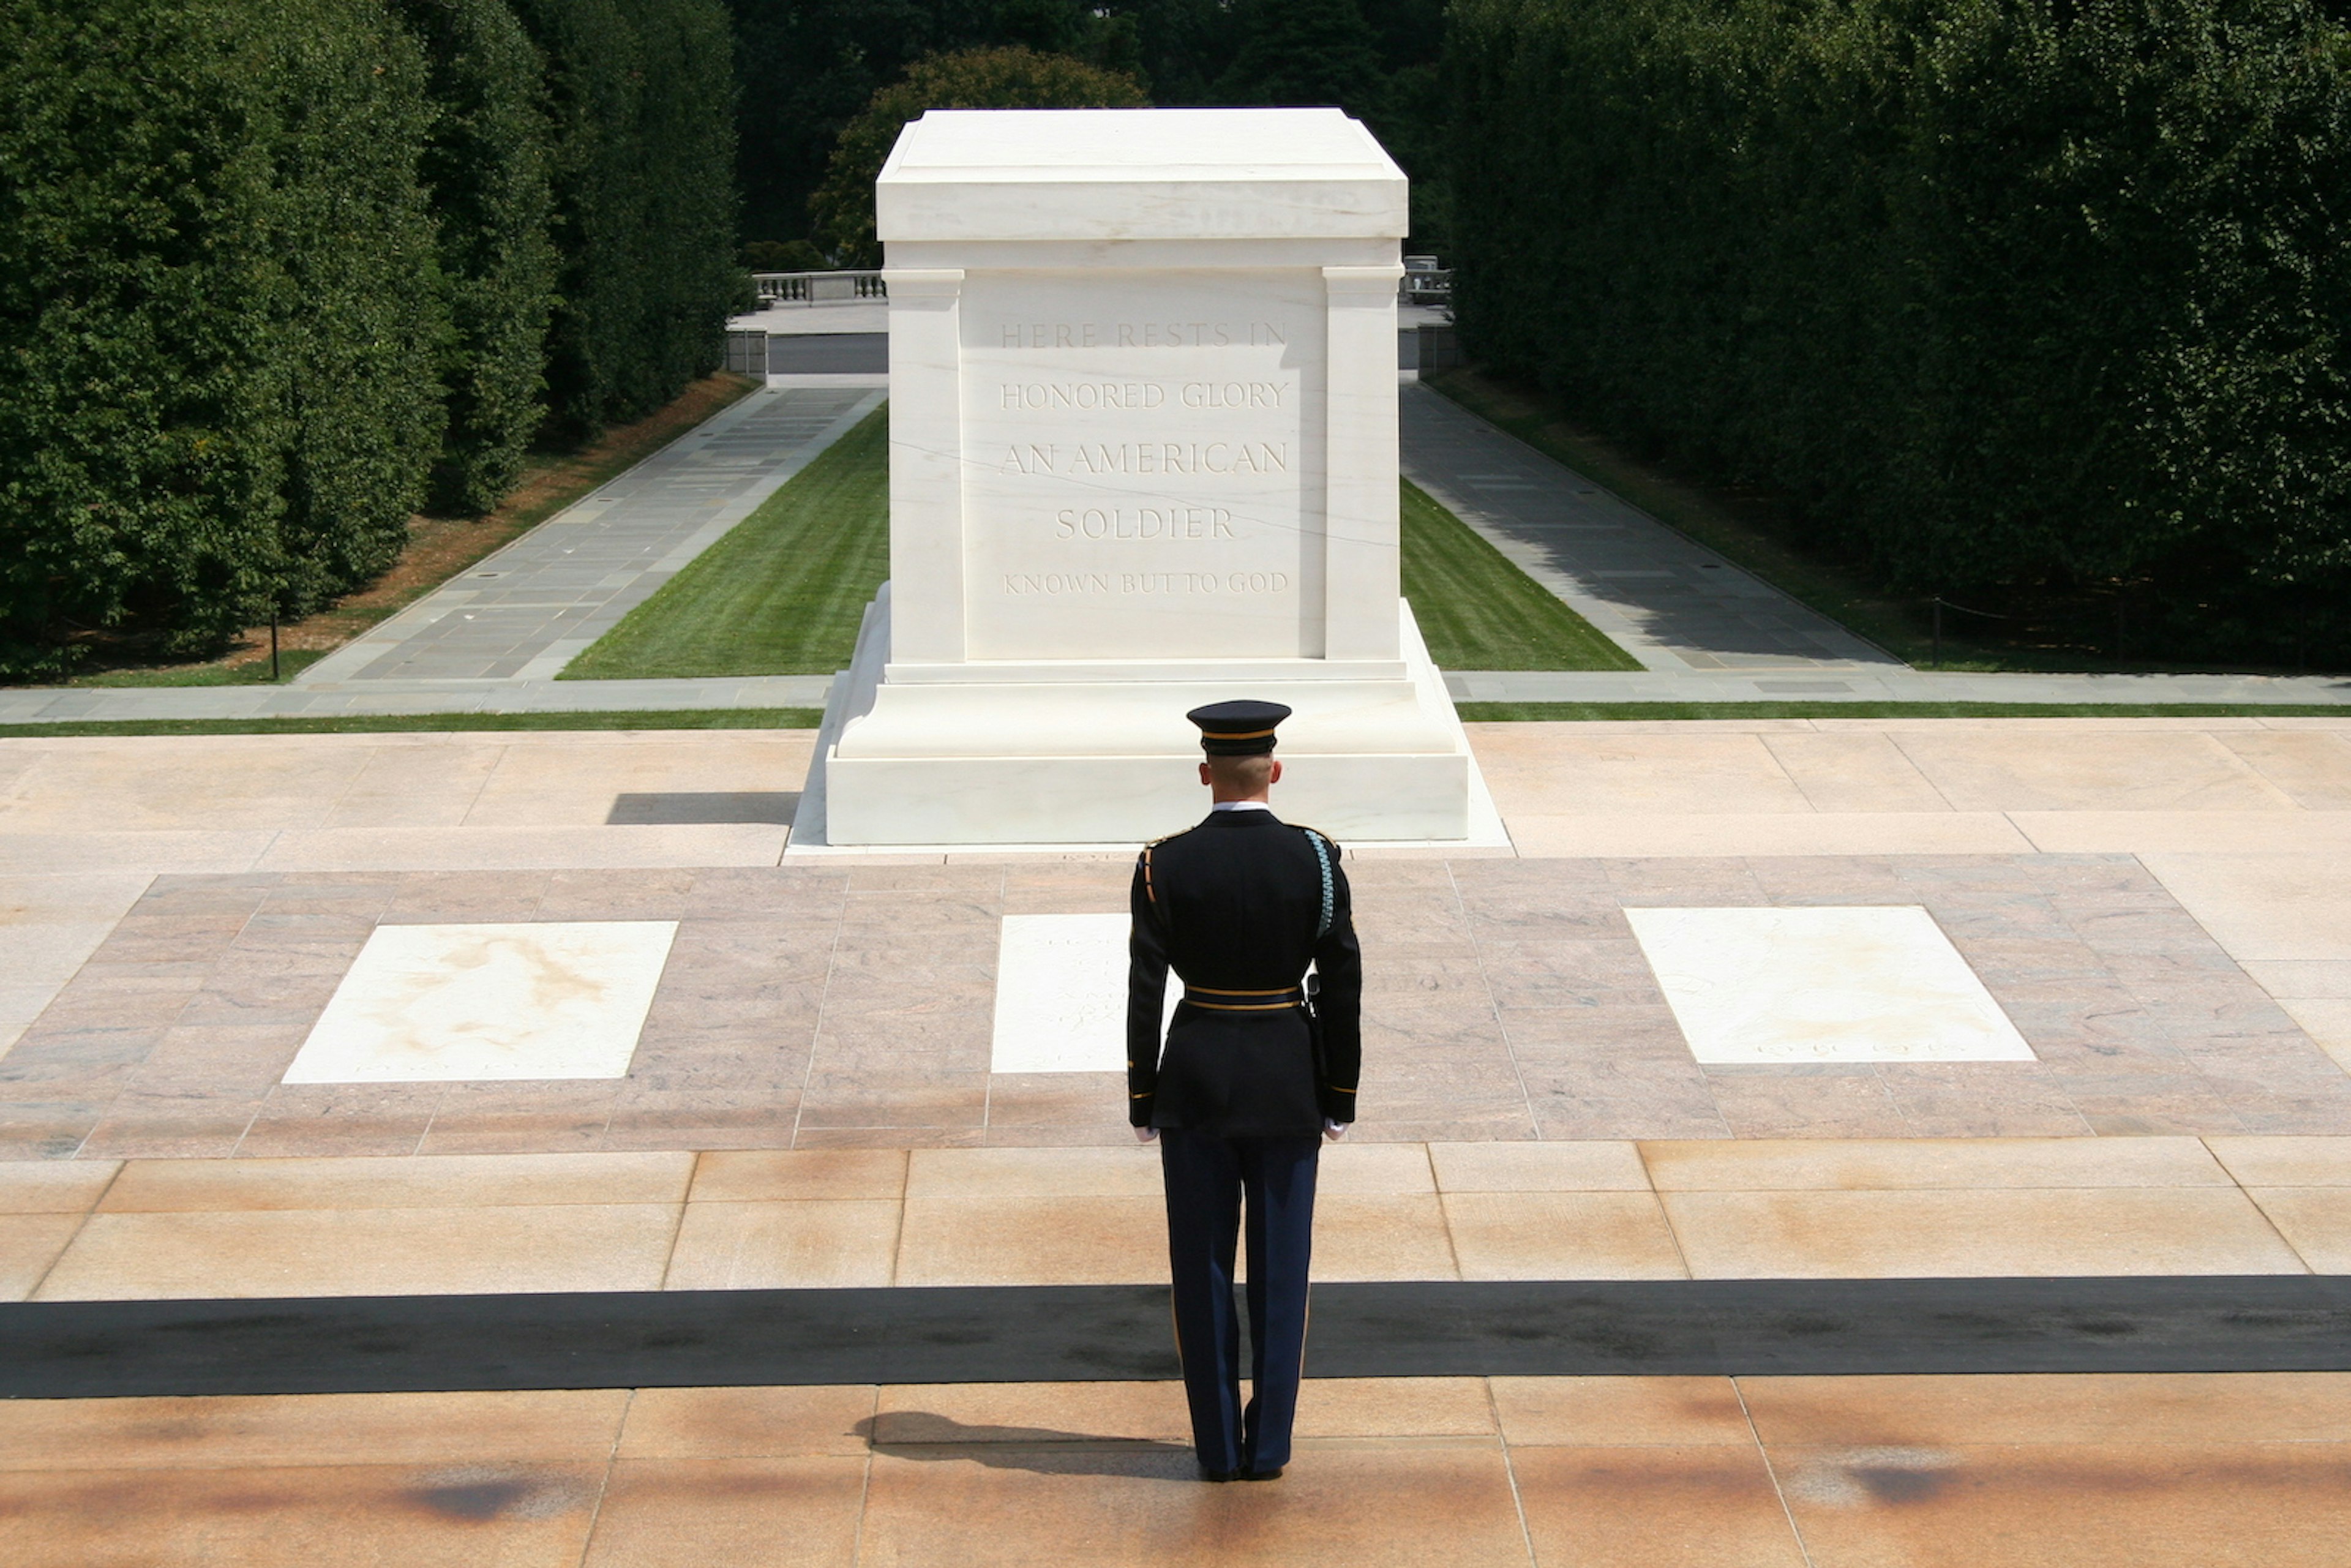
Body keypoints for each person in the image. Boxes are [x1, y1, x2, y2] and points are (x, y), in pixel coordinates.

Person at [1127, 699, 1363, 1483]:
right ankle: (1268, 1449)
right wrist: (1341, 1091)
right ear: (1276, 770)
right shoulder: (1317, 858)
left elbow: (1145, 989)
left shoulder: (1163, 862)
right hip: (1289, 1077)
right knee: (1281, 1271)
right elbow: (1343, 981)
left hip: (1193, 1079)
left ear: (1205, 775)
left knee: (1199, 1270)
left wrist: (1142, 1095)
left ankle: (1217, 1449)